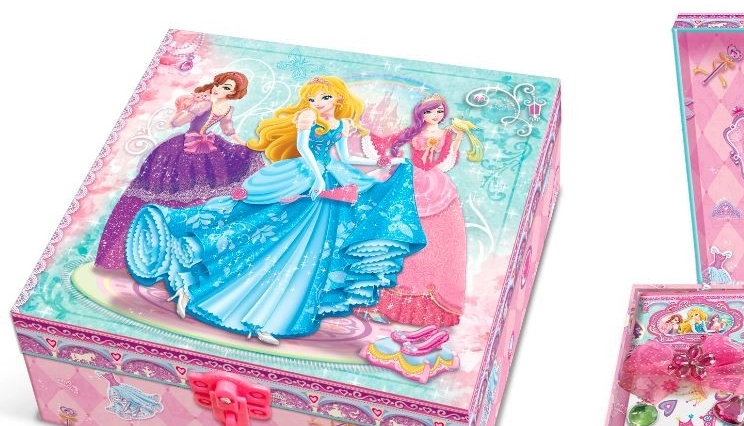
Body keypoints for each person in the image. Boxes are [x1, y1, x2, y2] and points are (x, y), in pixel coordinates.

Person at [125, 76, 425, 345]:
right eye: (312, 98)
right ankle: (209, 274)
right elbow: (305, 149)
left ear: (338, 98)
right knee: (267, 227)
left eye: (324, 97)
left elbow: (345, 158)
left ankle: (275, 317)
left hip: (329, 180)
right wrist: (318, 178)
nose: (317, 102)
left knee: (313, 250)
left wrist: (384, 164)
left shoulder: (342, 123)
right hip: (304, 176)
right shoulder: (307, 117)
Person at [96, 71, 261, 270]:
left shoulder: (225, 108)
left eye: (226, 88)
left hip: (207, 148)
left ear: (233, 93)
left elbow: (229, 131)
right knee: (171, 191)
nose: (218, 89)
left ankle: (186, 249)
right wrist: (186, 109)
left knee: (200, 194)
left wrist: (246, 146)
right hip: (182, 150)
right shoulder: (205, 103)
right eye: (218, 84)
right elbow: (176, 123)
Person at [356, 94, 479, 327]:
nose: (435, 116)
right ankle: (377, 299)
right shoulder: (412, 132)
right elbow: (389, 143)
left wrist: (456, 140)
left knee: (438, 238)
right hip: (410, 180)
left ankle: (423, 306)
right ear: (421, 113)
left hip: (435, 185)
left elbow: (445, 162)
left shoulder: (446, 134)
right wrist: (384, 151)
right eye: (430, 111)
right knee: (394, 234)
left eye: (439, 111)